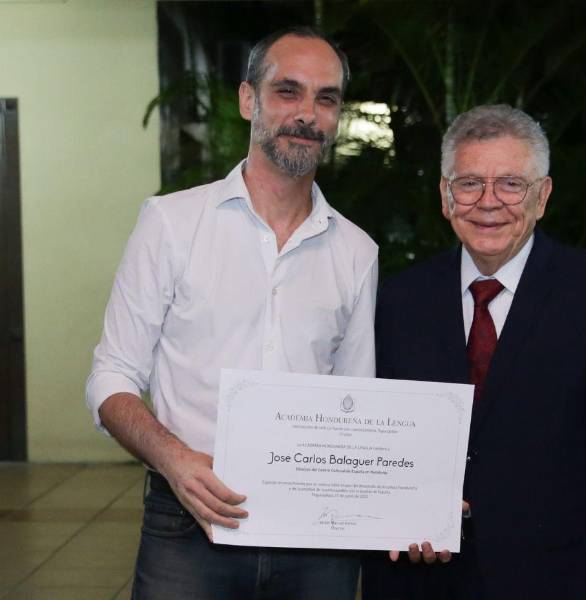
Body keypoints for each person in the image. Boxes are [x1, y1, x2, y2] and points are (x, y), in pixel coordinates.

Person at [86, 27, 377, 600]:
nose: (308, 114)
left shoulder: (357, 251)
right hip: (187, 525)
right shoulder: (171, 223)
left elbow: (357, 401)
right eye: (288, 92)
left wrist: (415, 496)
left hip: (315, 534)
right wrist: (174, 459)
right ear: (249, 100)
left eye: (326, 98)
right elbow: (111, 376)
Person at [362, 104, 586, 600]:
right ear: (445, 195)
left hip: (560, 581)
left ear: (541, 196)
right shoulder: (399, 299)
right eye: (469, 182)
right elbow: (380, 439)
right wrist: (391, 519)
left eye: (510, 184)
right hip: (421, 580)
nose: (488, 201)